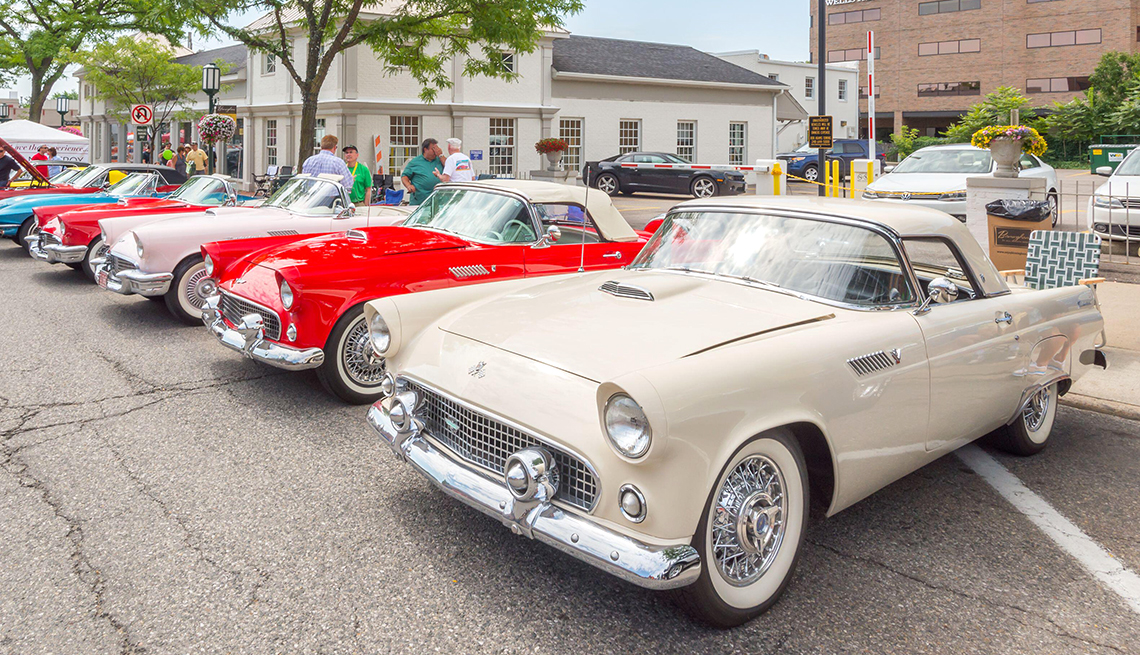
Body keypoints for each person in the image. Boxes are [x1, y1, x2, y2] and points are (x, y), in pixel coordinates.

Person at [400, 138, 443, 205]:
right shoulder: (415, 162)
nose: (436, 151)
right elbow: (404, 176)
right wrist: (408, 185)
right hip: (420, 201)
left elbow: (450, 167)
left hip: (438, 201)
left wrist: (441, 155)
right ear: (425, 149)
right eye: (433, 149)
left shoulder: (440, 160)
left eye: (437, 148)